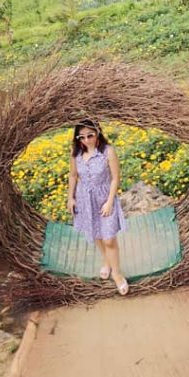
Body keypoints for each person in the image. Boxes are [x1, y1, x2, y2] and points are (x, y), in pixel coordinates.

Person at [67, 120, 129, 294]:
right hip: (84, 199)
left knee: (109, 238)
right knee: (96, 234)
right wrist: (70, 197)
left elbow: (115, 178)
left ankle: (117, 274)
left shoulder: (108, 152)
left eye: (90, 135)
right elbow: (73, 176)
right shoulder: (76, 153)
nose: (87, 140)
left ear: (97, 133)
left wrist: (110, 201)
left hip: (104, 197)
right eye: (82, 137)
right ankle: (106, 261)